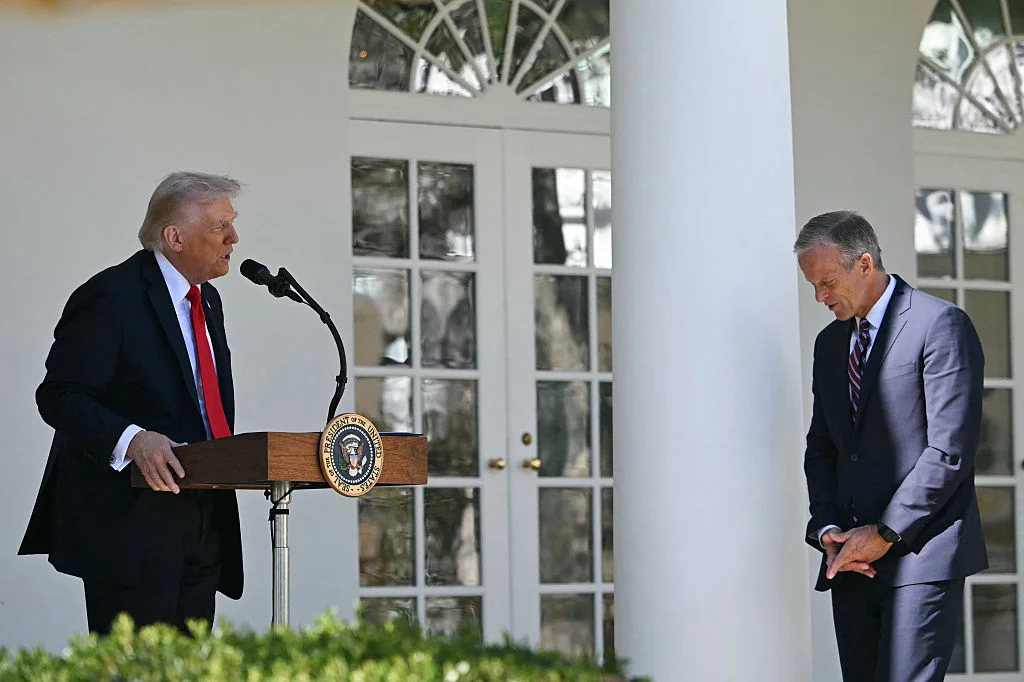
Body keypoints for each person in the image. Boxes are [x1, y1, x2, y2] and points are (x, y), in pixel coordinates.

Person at [19, 172, 245, 635]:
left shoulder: (208, 302)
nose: (234, 238)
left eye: (233, 223)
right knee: (136, 667)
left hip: (204, 520)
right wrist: (133, 440)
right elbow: (59, 396)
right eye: (221, 225)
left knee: (195, 666)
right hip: (131, 528)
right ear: (175, 237)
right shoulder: (111, 295)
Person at [795, 210, 988, 681]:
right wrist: (828, 528)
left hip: (920, 557)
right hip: (850, 563)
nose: (820, 297)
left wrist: (883, 533)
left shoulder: (940, 325)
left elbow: (948, 452)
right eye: (813, 286)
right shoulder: (828, 344)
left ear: (864, 263)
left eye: (827, 282)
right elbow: (822, 448)